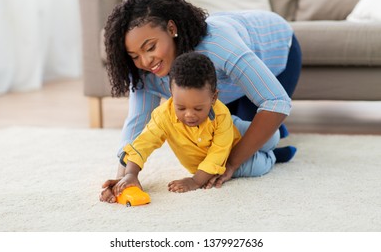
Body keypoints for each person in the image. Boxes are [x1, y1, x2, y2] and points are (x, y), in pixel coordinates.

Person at [100, 0, 301, 202]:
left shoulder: (217, 44)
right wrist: (122, 179)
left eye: (150, 47)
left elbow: (276, 101)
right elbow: (137, 125)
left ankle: (275, 137)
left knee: (258, 130)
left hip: (276, 52)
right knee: (214, 131)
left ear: (171, 29)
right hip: (223, 89)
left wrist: (230, 164)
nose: (146, 61)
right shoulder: (145, 72)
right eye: (135, 56)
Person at [104, 52, 281, 198]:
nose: (189, 115)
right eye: (180, 107)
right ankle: (274, 157)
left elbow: (219, 147)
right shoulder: (162, 116)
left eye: (198, 108)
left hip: (229, 132)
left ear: (213, 98)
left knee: (272, 136)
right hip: (215, 161)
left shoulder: (221, 114)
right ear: (171, 94)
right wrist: (131, 174)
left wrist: (195, 182)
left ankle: (269, 145)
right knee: (258, 166)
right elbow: (143, 144)